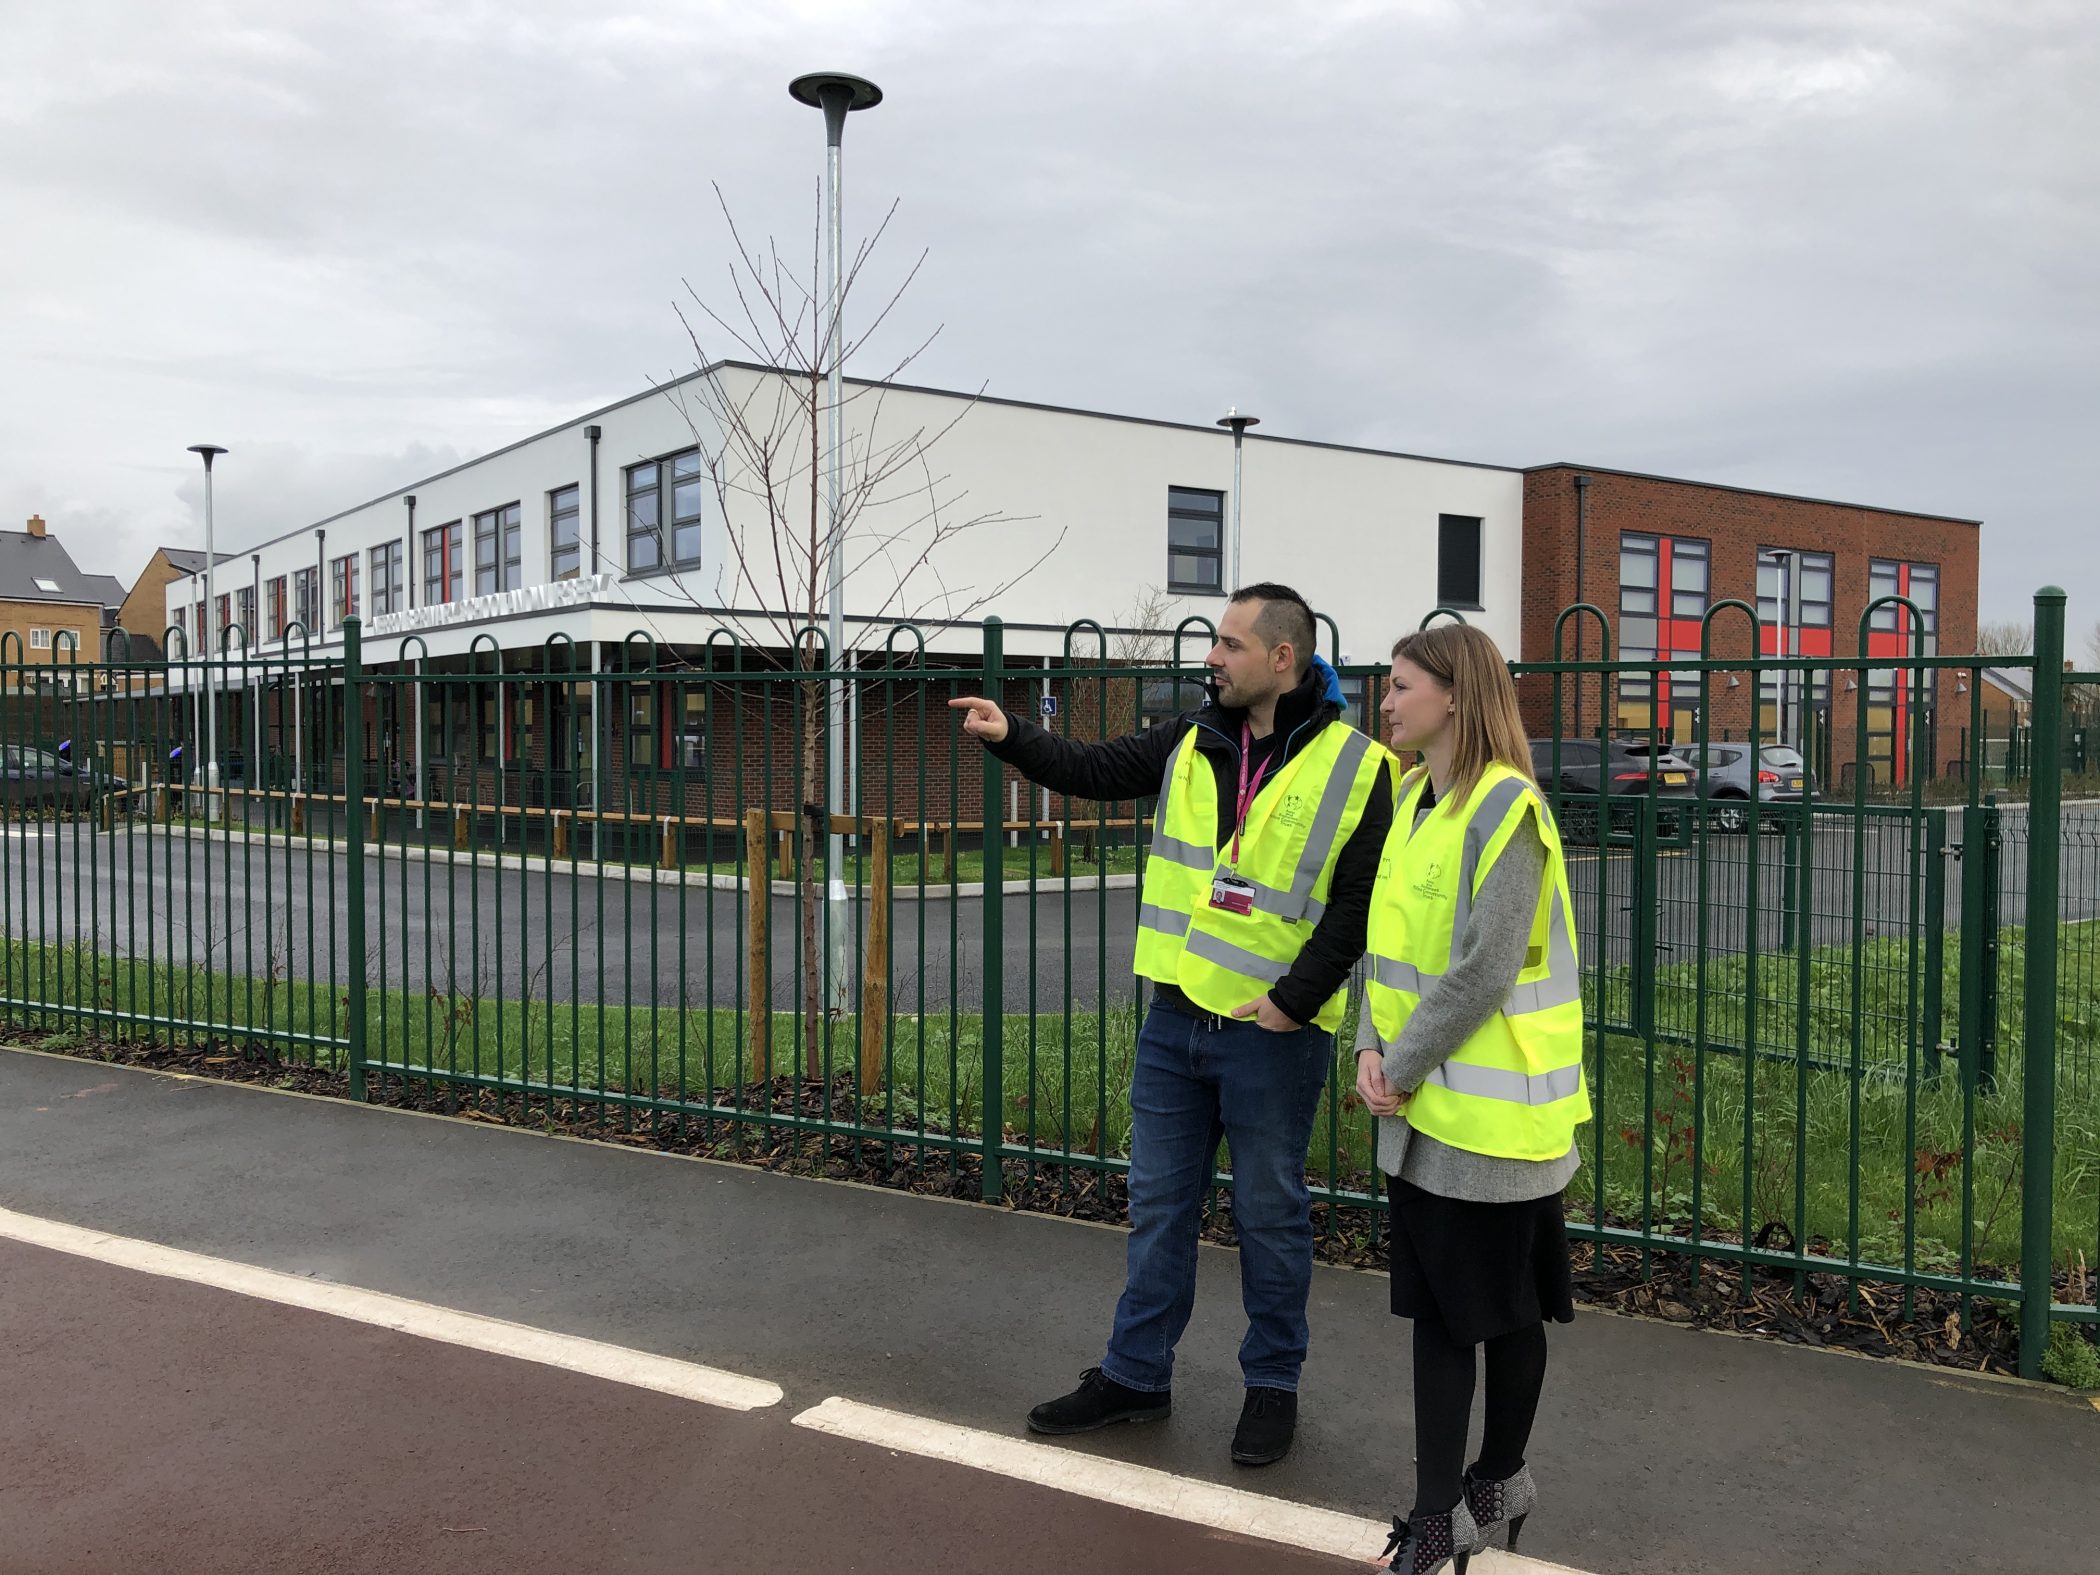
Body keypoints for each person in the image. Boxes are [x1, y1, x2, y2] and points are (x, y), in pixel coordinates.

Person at [950, 583, 1393, 1466]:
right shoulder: (1193, 737)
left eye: (1230, 645)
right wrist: (1012, 739)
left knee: (1269, 1217)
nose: (1212, 658)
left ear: (1282, 658)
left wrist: (1291, 1002)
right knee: (1157, 1206)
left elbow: (1356, 907)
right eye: (1215, 643)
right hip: (1174, 1020)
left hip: (1274, 1035)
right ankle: (1135, 1374)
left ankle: (1272, 1385)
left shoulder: (1358, 765)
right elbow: (1095, 767)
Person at [1355, 623, 1588, 1575]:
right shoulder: (1416, 800)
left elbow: (1486, 967)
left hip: (1493, 1120)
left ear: (1455, 695)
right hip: (1422, 1112)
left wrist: (1397, 1064)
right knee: (1458, 1311)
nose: (1389, 700)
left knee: (1493, 1310)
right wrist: (1370, 1047)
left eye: (1404, 685)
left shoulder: (1508, 809)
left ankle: (1472, 1491)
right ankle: (1467, 1497)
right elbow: (1389, 947)